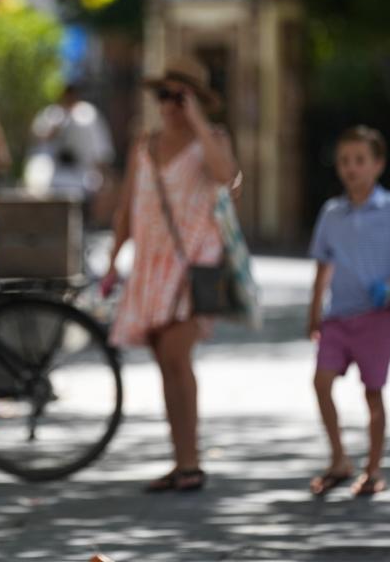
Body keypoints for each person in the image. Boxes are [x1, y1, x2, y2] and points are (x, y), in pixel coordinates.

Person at [102, 58, 241, 492]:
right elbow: (128, 206)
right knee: (165, 364)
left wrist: (198, 119)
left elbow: (226, 177)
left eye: (180, 96)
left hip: (193, 266)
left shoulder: (212, 139)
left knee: (179, 359)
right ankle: (183, 461)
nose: (169, 104)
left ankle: (192, 461)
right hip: (151, 266)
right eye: (164, 95)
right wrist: (113, 259)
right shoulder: (144, 143)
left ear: (196, 99)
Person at [307, 125, 390, 497]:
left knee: (372, 394)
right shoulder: (331, 214)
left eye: (360, 160)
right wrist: (314, 310)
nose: (352, 168)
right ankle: (338, 458)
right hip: (337, 318)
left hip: (378, 318)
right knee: (320, 383)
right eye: (345, 161)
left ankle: (373, 468)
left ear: (378, 165)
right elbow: (322, 265)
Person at [26, 83, 115, 200]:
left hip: (83, 179)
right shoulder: (52, 115)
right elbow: (36, 138)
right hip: (53, 181)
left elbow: (101, 151)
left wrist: (104, 175)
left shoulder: (88, 115)